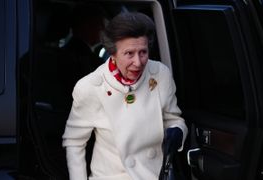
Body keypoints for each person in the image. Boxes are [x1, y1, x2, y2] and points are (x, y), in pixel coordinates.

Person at [62, 12, 188, 180]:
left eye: (143, 52)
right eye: (129, 53)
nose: (138, 62)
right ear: (112, 54)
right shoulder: (91, 86)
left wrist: (177, 130)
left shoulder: (160, 74)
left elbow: (173, 119)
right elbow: (74, 142)